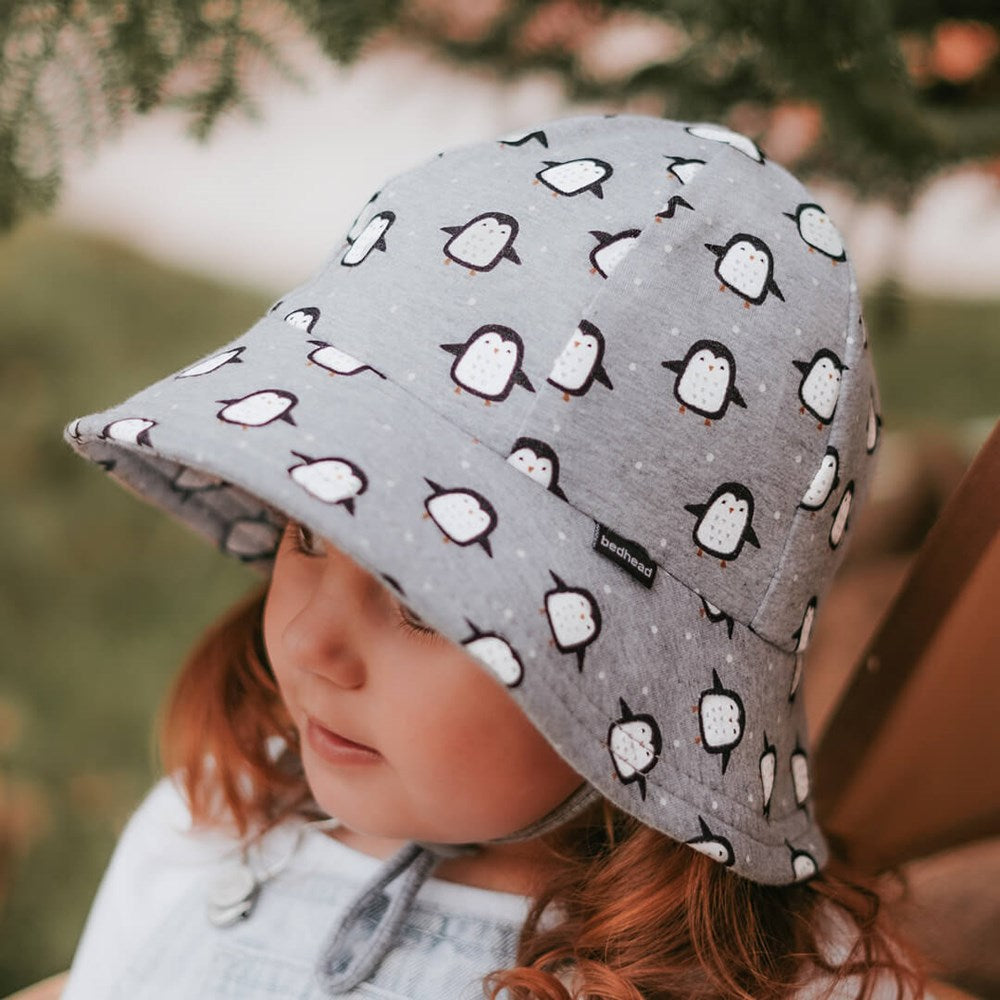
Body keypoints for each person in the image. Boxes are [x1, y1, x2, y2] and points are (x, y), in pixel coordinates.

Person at [57, 112, 935, 999]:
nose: (310, 642)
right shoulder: (207, 829)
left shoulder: (768, 980)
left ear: (630, 687)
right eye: (306, 531)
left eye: (426, 604)